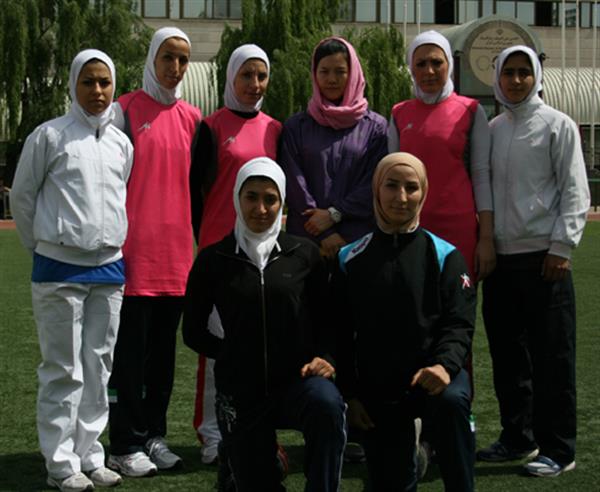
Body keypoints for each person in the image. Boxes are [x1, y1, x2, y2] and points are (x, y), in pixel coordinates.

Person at [183, 157, 346, 492]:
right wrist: (230, 354)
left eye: (270, 199)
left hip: (299, 382)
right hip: (242, 391)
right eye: (251, 197)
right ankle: (246, 462)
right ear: (237, 198)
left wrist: (326, 356)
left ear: (282, 202)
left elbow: (329, 318)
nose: (260, 209)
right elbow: (193, 331)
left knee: (327, 405)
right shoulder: (214, 259)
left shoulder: (304, 254)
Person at [11, 49, 133, 492]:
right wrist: (43, 244)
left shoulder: (122, 144)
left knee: (99, 370)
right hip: (58, 269)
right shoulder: (49, 136)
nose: (97, 91)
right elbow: (22, 197)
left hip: (109, 269)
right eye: (88, 82)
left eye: (104, 82)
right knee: (63, 369)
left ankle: (90, 454)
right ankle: (61, 463)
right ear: (73, 84)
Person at [477, 45, 590, 477]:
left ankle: (559, 449)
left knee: (552, 359)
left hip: (546, 260)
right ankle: (517, 438)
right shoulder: (492, 129)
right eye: (509, 72)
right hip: (502, 262)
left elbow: (576, 190)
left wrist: (562, 246)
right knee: (509, 358)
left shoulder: (558, 125)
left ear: (536, 77)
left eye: (525, 72)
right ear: (498, 78)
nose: (516, 80)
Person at [333, 152, 476, 491]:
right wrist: (350, 394)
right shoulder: (349, 258)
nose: (401, 197)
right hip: (379, 388)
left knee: (452, 402)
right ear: (376, 189)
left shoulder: (446, 256)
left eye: (411, 187)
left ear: (423, 192)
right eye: (391, 186)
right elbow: (340, 332)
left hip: (435, 378)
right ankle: (410, 451)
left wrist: (443, 365)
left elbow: (459, 323)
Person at [107, 27, 201, 477]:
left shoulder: (193, 119)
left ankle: (153, 437)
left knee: (162, 363)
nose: (175, 67)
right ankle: (124, 443)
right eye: (168, 57)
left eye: (183, 59)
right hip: (132, 259)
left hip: (177, 261)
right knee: (128, 361)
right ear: (152, 58)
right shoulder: (123, 109)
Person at [189, 44, 282, 465]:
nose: (254, 84)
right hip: (221, 252)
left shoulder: (275, 129)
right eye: (246, 75)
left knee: (261, 345)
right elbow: (196, 191)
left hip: (262, 252)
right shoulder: (210, 127)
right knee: (216, 348)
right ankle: (212, 433)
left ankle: (258, 428)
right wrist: (207, 239)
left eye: (261, 76)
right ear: (231, 77)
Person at [388, 30, 495, 281]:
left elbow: (481, 176)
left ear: (449, 64)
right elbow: (390, 178)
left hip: (459, 228)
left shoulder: (471, 110)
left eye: (437, 62)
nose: (429, 71)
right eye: (421, 64)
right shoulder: (399, 113)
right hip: (410, 227)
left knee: (457, 299)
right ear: (411, 69)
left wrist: (486, 238)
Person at [280, 36, 388, 261]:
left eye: (340, 71)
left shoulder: (375, 128)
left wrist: (335, 214)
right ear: (314, 74)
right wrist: (324, 232)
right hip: (307, 238)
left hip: (357, 238)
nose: (331, 79)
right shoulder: (296, 127)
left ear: (353, 73)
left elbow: (375, 181)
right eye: (324, 71)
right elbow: (294, 183)